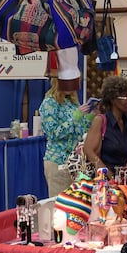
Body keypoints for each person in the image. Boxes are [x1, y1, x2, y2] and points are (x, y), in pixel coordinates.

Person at [38, 62, 89, 197]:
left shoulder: (72, 102)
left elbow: (80, 131)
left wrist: (89, 118)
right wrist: (75, 118)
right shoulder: (49, 103)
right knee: (59, 206)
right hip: (58, 163)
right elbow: (53, 133)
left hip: (75, 164)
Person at [83, 75, 127, 170]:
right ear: (113, 99)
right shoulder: (100, 121)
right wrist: (106, 173)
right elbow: (89, 151)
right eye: (126, 97)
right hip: (104, 181)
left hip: (124, 180)